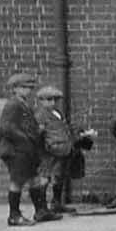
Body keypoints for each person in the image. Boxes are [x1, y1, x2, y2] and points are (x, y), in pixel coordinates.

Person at [0, 73, 47, 226]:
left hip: (25, 148)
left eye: (30, 87)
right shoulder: (13, 104)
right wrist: (25, 139)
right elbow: (6, 127)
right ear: (15, 89)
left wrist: (36, 130)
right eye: (24, 87)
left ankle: (41, 211)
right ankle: (14, 215)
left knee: (34, 179)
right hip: (16, 149)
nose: (28, 90)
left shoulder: (22, 103)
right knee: (17, 181)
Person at [34, 86, 93, 216]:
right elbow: (38, 136)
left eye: (55, 100)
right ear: (41, 101)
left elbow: (65, 129)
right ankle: (42, 209)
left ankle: (56, 203)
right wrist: (42, 151)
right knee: (45, 177)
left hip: (63, 149)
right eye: (49, 100)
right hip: (49, 153)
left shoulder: (58, 113)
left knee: (60, 176)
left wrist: (82, 134)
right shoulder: (40, 116)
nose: (52, 103)